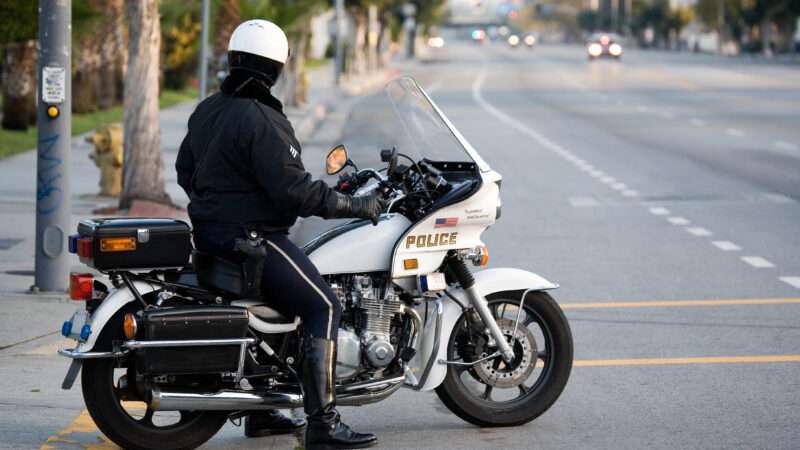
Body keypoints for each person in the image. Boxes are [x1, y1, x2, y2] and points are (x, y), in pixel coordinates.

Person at [176, 19, 381, 450]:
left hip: (213, 237)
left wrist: (219, 202)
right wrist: (355, 205)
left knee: (283, 308)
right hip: (253, 238)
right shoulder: (262, 119)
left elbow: (184, 172)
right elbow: (295, 190)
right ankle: (323, 425)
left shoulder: (208, 109)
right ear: (276, 68)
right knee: (324, 304)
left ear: (233, 60)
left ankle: (261, 412)